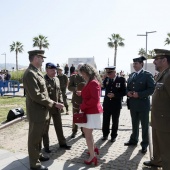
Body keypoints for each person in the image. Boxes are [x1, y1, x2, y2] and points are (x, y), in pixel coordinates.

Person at [23, 50, 63, 170]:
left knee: (39, 136)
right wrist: (53, 103)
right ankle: (34, 164)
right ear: (35, 58)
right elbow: (36, 95)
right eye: (41, 58)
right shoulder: (30, 73)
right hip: (36, 112)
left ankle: (38, 155)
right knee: (34, 138)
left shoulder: (37, 72)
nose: (43, 60)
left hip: (42, 111)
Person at [143, 49, 170, 169]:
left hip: (166, 120)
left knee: (166, 148)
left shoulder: (169, 76)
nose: (154, 62)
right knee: (157, 143)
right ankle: (157, 161)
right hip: (158, 118)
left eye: (156, 59)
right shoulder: (162, 74)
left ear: (164, 60)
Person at [124, 56, 155, 154]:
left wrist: (139, 94)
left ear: (141, 64)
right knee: (134, 124)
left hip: (143, 104)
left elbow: (151, 89)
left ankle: (145, 144)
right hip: (133, 104)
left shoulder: (147, 75)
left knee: (144, 126)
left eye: (136, 64)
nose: (134, 65)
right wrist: (127, 92)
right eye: (133, 64)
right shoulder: (132, 75)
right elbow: (127, 87)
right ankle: (133, 140)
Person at [76, 64, 103, 166]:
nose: (82, 75)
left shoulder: (93, 82)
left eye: (83, 73)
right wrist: (82, 93)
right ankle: (93, 149)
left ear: (88, 72)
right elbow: (90, 94)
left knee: (87, 134)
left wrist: (83, 106)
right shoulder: (91, 81)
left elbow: (95, 99)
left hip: (91, 111)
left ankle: (92, 156)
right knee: (88, 133)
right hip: (90, 111)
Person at [40, 63, 71, 153]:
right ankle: (46, 146)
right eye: (52, 70)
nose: (54, 72)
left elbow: (59, 92)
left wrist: (61, 102)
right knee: (45, 128)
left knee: (59, 126)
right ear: (47, 70)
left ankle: (62, 143)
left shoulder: (56, 79)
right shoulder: (43, 80)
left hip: (57, 107)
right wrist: (55, 103)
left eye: (55, 70)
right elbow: (43, 96)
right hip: (47, 107)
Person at [102, 66, 126, 142]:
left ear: (114, 72)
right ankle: (105, 134)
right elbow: (102, 87)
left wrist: (115, 95)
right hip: (107, 103)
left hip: (116, 104)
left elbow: (124, 92)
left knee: (115, 121)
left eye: (110, 73)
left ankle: (113, 136)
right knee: (105, 120)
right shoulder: (106, 79)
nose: (109, 75)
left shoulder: (121, 80)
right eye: (107, 73)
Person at [68, 63, 86, 138]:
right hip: (76, 99)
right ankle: (74, 131)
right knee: (76, 115)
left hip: (85, 100)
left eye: (82, 68)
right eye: (79, 68)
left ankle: (83, 131)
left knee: (84, 115)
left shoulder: (87, 77)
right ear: (77, 69)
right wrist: (76, 89)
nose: (80, 70)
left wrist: (83, 91)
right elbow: (69, 87)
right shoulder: (73, 77)